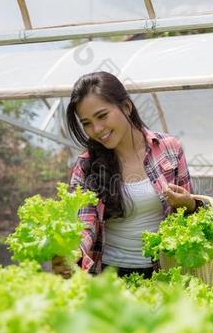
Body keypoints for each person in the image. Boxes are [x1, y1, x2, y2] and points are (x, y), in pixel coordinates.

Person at [52, 71, 200, 279]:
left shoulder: (169, 148)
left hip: (165, 273)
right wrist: (74, 252)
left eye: (102, 116)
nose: (96, 129)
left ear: (126, 107)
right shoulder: (86, 165)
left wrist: (190, 205)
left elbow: (192, 218)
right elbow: (85, 223)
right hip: (109, 277)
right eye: (86, 123)